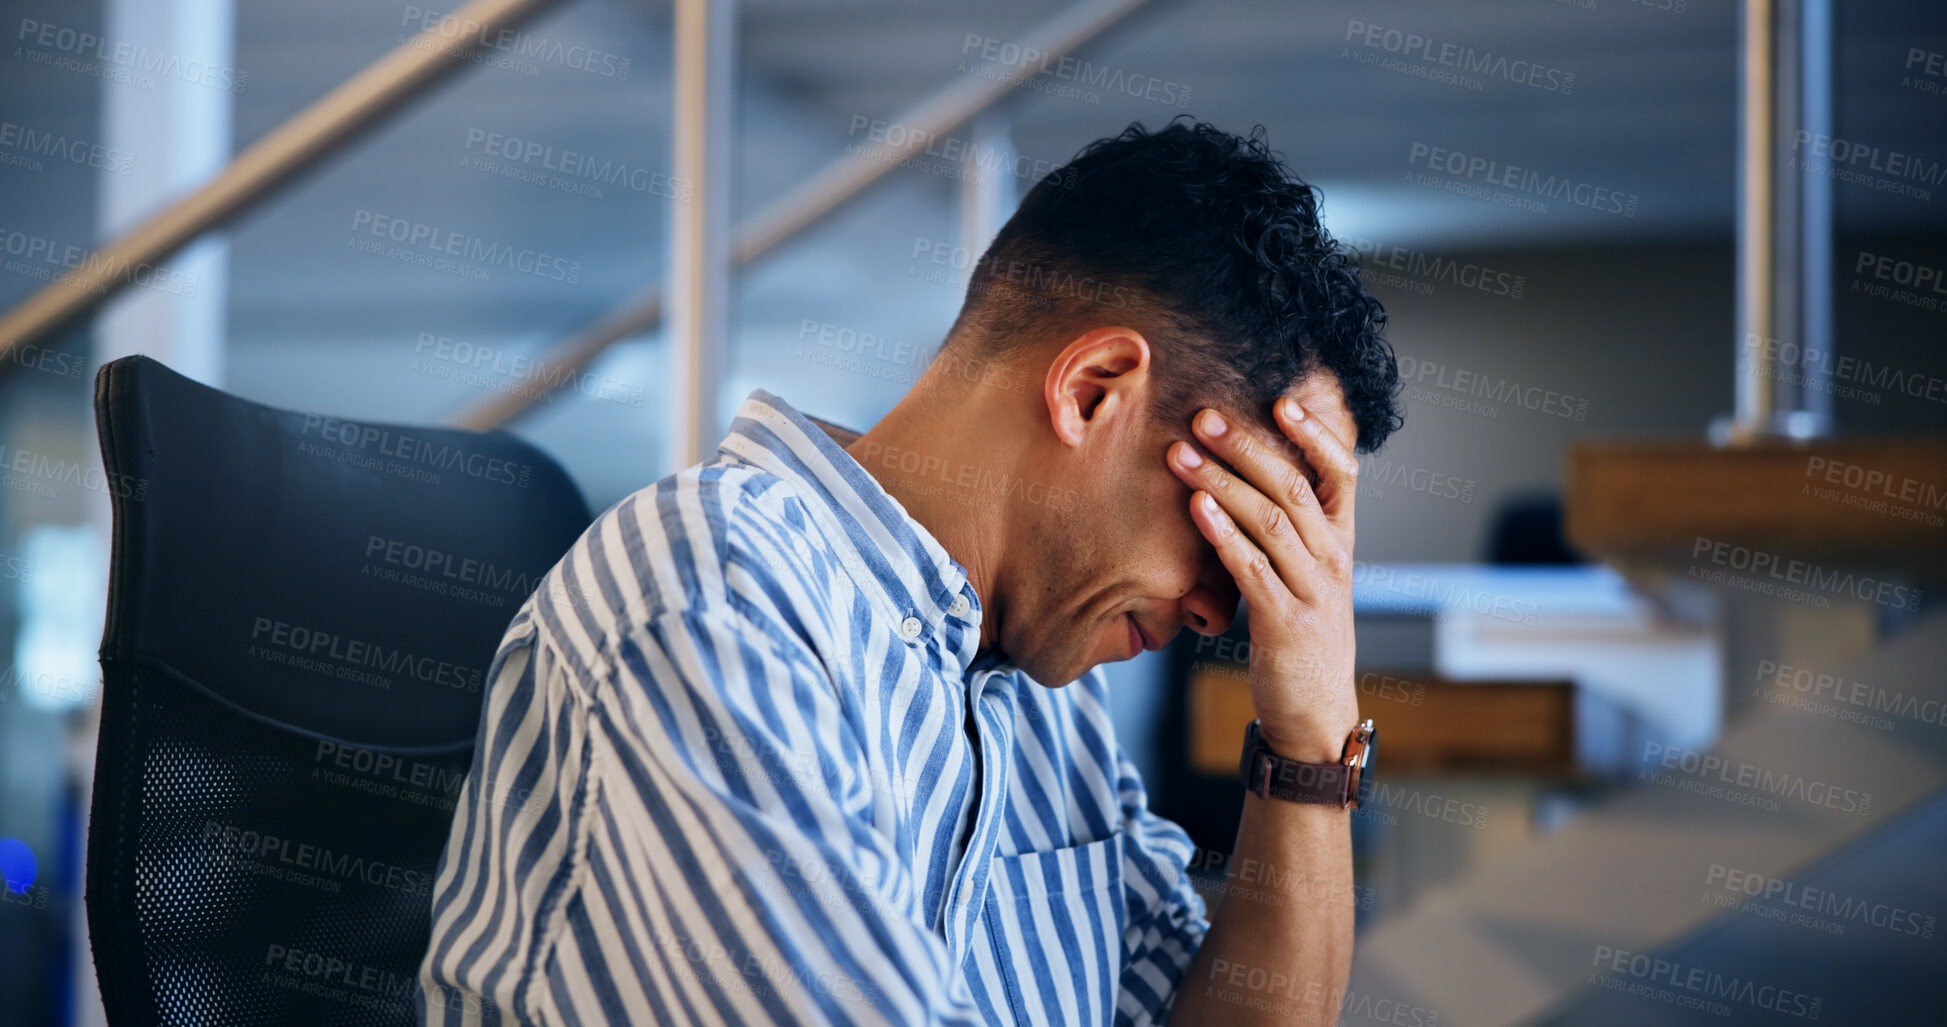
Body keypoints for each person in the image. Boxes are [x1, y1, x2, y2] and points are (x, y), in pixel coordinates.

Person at [418, 117, 1403, 1026]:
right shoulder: (711, 592)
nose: (1222, 607)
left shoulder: (1043, 699)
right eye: (1240, 522)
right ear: (1095, 392)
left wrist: (1310, 735)